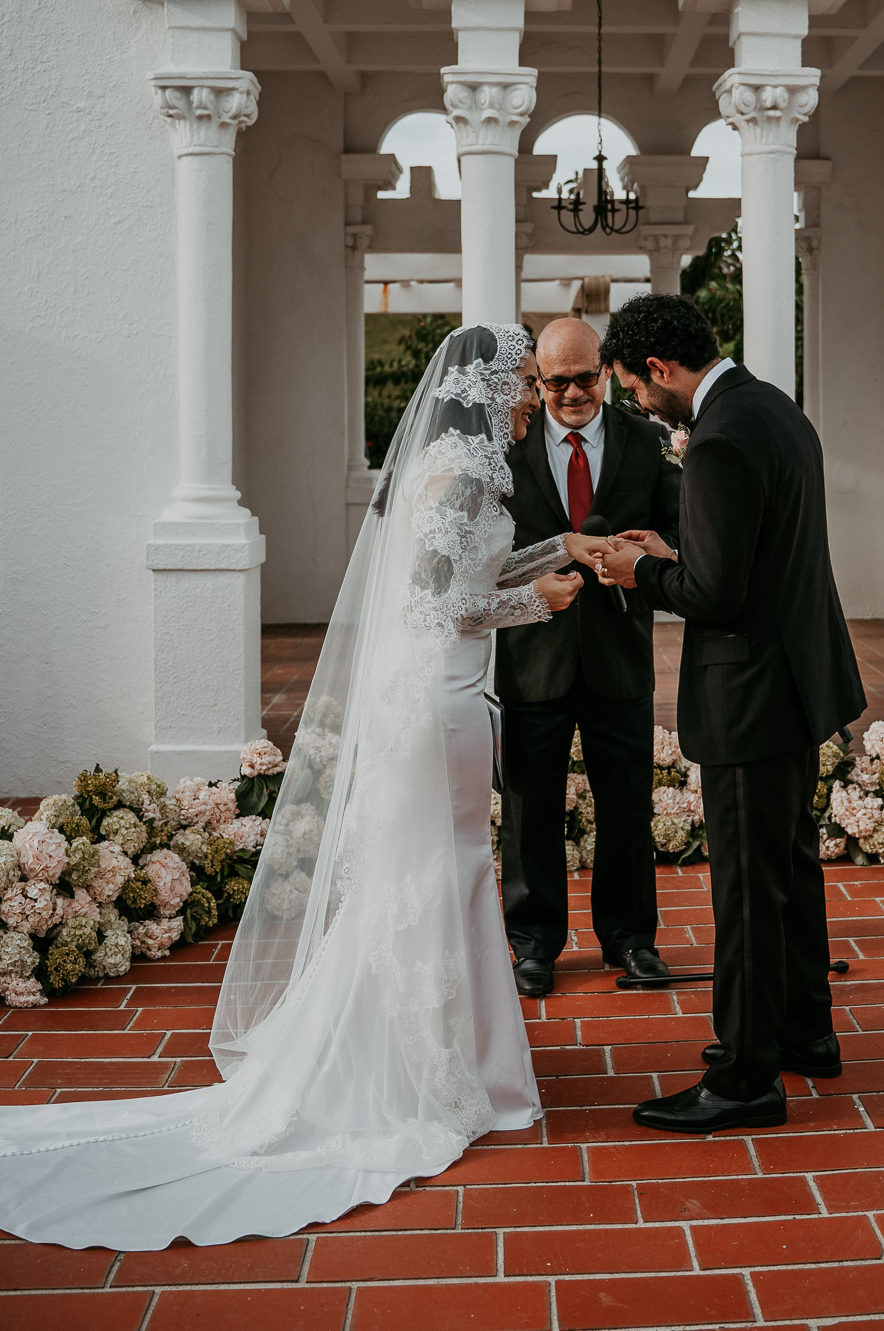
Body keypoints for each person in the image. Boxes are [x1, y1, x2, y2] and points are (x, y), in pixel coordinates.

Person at [0, 324, 615, 1249]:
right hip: (439, 705)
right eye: (524, 382)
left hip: (443, 700)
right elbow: (432, 609)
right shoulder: (463, 476)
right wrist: (538, 601)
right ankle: (431, 1069)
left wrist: (559, 546)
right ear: (488, 389)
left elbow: (465, 573)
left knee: (442, 876)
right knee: (444, 874)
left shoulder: (456, 468)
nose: (533, 397)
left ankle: (451, 1058)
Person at [595, 294, 867, 1135]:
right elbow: (752, 552)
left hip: (748, 693)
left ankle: (746, 1077)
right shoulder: (773, 408)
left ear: (660, 369)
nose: (643, 406)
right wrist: (675, 550)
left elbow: (715, 593)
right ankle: (805, 1031)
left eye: (636, 390)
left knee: (747, 890)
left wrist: (638, 571)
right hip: (795, 679)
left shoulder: (715, 439)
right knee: (790, 868)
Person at [496, 317, 681, 996]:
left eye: (585, 378)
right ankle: (533, 945)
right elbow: (486, 557)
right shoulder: (507, 447)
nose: (573, 393)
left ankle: (632, 940)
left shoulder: (647, 441)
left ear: (605, 370)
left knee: (627, 804)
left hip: (620, 651)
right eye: (556, 383)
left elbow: (676, 529)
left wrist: (651, 553)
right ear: (538, 380)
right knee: (529, 809)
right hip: (532, 655)